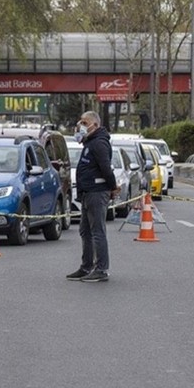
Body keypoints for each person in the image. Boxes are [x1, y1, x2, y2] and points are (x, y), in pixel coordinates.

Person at [68, 111, 120, 283]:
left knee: (97, 231)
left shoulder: (99, 143)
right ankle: (86, 266)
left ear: (95, 125)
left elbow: (106, 168)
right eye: (80, 122)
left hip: (97, 192)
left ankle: (101, 269)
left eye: (84, 122)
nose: (80, 126)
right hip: (87, 192)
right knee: (85, 230)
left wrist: (113, 187)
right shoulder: (89, 143)